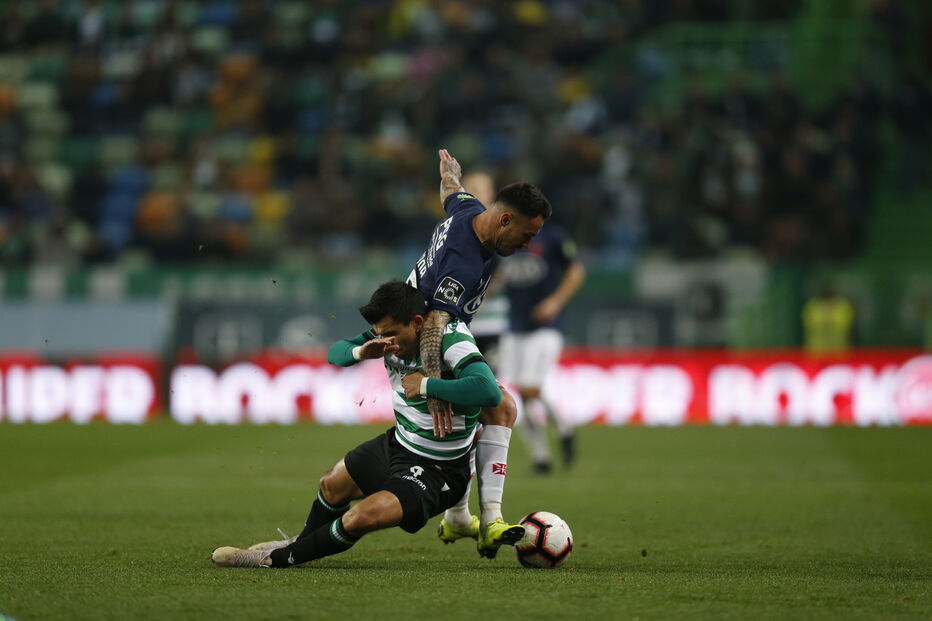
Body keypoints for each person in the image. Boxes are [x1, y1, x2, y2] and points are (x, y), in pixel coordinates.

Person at [211, 280, 504, 568]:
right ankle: (300, 542)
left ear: (417, 322)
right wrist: (362, 351)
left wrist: (427, 385)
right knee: (331, 484)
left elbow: (489, 391)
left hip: (439, 469)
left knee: (360, 518)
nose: (387, 342)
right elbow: (334, 353)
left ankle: (273, 559)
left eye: (391, 334)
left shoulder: (452, 337)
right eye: (380, 335)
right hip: (398, 445)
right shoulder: (386, 336)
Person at [407, 150, 551, 557]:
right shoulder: (464, 262)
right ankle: (488, 521)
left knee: (484, 417)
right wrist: (434, 387)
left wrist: (449, 176)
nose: (526, 245)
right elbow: (435, 322)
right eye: (526, 235)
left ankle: (462, 518)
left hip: (440, 330)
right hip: (426, 338)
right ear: (505, 219)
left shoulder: (471, 210)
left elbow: (452, 194)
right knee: (498, 408)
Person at [498, 222, 586, 473]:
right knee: (519, 391)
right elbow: (495, 275)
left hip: (546, 326)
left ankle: (559, 435)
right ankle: (543, 455)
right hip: (514, 326)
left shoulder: (552, 236)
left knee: (529, 387)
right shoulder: (501, 237)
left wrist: (555, 302)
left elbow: (576, 271)